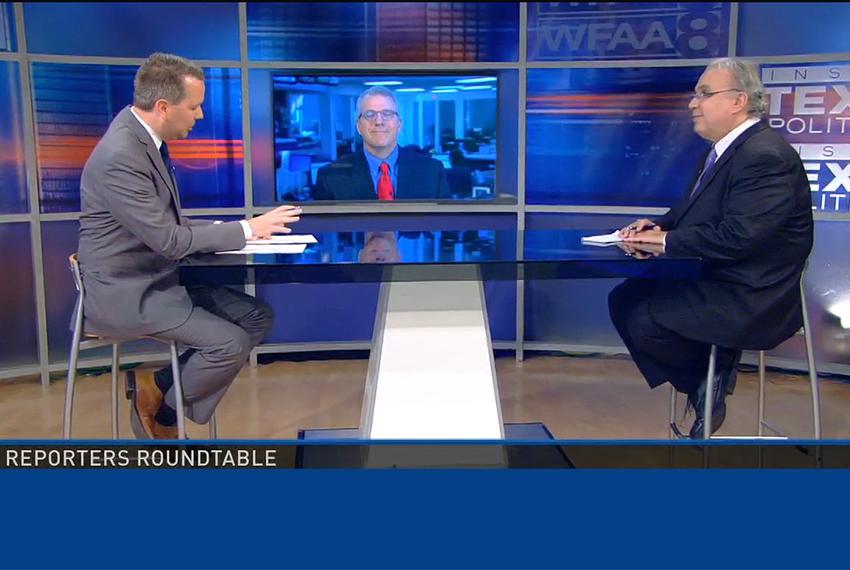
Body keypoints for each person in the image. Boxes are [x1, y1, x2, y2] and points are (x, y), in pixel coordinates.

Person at [78, 53, 302, 439]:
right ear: (163, 107)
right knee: (229, 345)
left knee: (256, 317)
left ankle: (158, 387)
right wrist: (245, 230)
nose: (199, 116)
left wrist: (234, 230)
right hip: (129, 291)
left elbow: (164, 226)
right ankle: (164, 418)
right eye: (194, 106)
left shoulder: (144, 140)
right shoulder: (121, 156)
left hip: (157, 276)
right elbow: (168, 239)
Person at [608, 57, 813, 438]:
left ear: (738, 101)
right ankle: (708, 378)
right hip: (719, 276)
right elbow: (694, 211)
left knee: (645, 318)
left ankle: (713, 375)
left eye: (704, 94)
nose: (692, 103)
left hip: (752, 292)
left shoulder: (764, 156)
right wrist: (660, 226)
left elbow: (740, 235)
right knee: (624, 299)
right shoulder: (723, 151)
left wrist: (666, 242)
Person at [313, 86, 450, 201]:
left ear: (399, 125)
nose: (379, 121)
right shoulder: (330, 176)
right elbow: (321, 231)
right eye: (369, 114)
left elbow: (448, 230)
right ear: (358, 126)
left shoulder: (432, 171)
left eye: (387, 113)